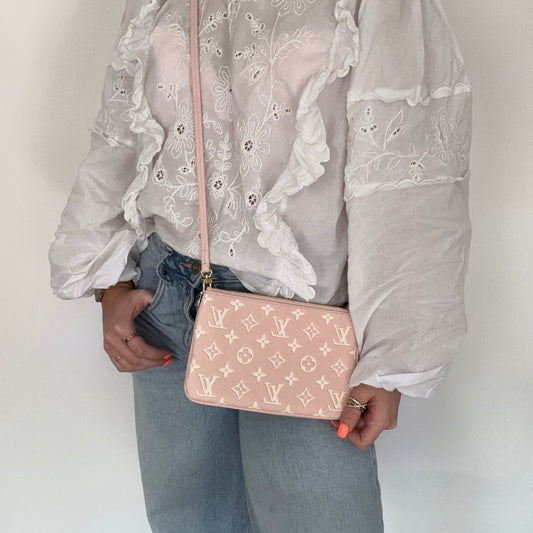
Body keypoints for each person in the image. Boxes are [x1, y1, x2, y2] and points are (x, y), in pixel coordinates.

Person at [48, 0, 473, 531]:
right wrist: (109, 284)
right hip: (164, 304)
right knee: (189, 521)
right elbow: (120, 133)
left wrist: (393, 357)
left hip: (302, 319)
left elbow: (412, 178)